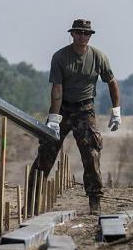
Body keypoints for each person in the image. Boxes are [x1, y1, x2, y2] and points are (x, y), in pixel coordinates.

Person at [29, 18, 121, 215]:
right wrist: (54, 118)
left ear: (90, 36)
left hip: (85, 109)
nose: (82, 36)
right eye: (78, 32)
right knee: (46, 152)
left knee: (91, 154)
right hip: (62, 108)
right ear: (72, 34)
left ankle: (95, 203)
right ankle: (31, 203)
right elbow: (57, 89)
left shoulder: (98, 57)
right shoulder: (60, 57)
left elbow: (111, 81)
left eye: (86, 33)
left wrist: (116, 110)